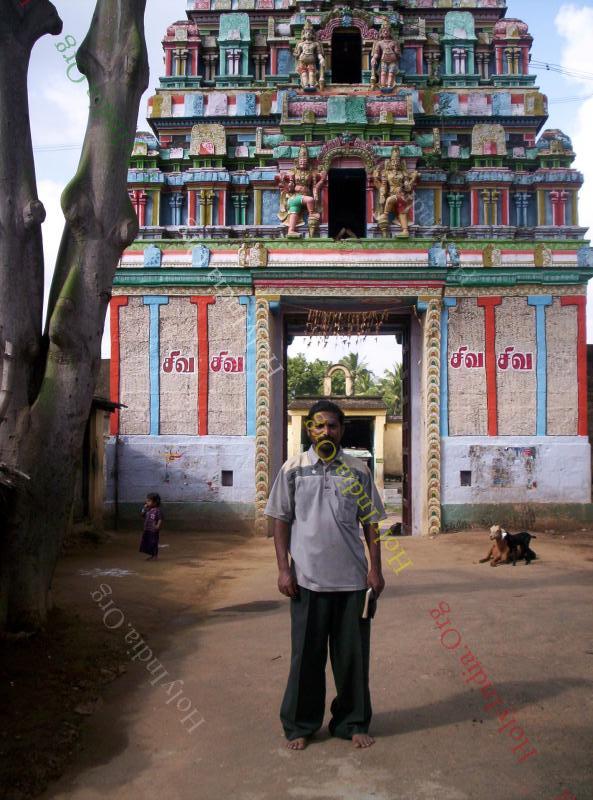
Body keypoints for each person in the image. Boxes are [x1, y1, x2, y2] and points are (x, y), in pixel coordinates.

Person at [265, 400, 386, 751]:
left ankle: (352, 722)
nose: (326, 432)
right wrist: (283, 569)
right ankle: (300, 723)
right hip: (307, 582)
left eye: (332, 426)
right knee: (306, 658)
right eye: (319, 426)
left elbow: (371, 523)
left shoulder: (359, 470)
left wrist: (375, 569)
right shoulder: (293, 469)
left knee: (352, 659)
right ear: (309, 430)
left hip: (352, 582)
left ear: (341, 430)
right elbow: (280, 521)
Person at [139, 493, 162, 560]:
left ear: (155, 502)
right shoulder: (148, 509)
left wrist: (158, 526)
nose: (147, 502)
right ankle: (152, 554)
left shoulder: (157, 510)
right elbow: (142, 515)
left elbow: (160, 519)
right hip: (147, 528)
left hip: (153, 530)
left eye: (149, 501)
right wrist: (144, 509)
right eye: (147, 501)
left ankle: (155, 555)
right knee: (148, 542)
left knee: (153, 542)